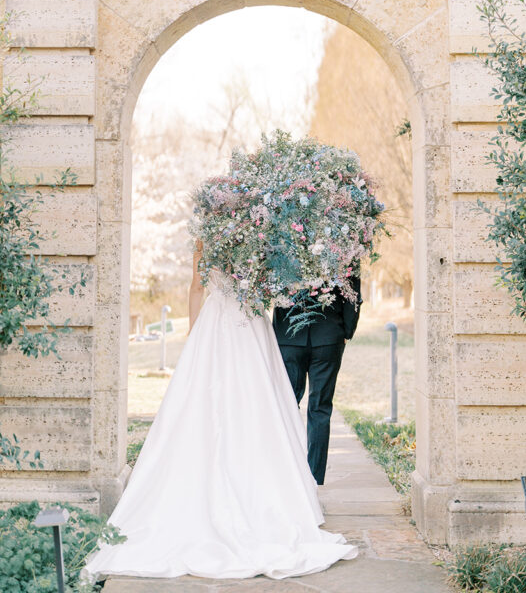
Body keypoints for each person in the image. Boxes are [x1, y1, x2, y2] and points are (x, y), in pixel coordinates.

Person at [81, 239, 357, 582]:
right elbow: (271, 285)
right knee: (258, 409)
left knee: (210, 405)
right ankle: (272, 497)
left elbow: (196, 287)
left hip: (218, 323)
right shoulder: (257, 235)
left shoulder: (205, 237)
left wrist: (194, 335)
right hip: (250, 324)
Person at [273, 276, 362, 487]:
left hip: (294, 335)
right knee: (317, 408)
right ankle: (311, 479)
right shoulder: (344, 242)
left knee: (288, 405)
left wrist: (346, 332)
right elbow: (353, 288)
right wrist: (346, 329)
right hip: (321, 334)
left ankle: (294, 477)